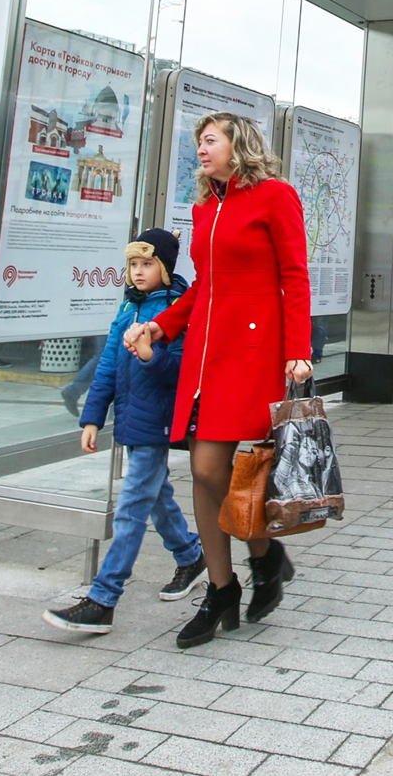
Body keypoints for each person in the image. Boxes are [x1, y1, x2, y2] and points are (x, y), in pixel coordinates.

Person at [125, 112, 312, 649]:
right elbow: (205, 286)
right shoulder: (205, 204)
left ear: (238, 145)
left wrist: (298, 350)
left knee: (229, 471)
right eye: (199, 143)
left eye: (209, 141)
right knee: (206, 469)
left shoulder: (275, 196)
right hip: (208, 354)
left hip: (256, 351)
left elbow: (294, 274)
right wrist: (162, 325)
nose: (201, 150)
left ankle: (261, 561)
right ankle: (230, 581)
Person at [45, 228, 206, 635]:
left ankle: (103, 598)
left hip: (158, 422)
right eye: (133, 264)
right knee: (155, 497)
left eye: (147, 263)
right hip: (132, 420)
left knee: (133, 503)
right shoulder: (126, 310)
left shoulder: (176, 311)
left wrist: (152, 354)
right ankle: (190, 555)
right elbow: (106, 368)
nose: (138, 272)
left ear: (165, 268)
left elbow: (181, 373)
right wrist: (92, 418)